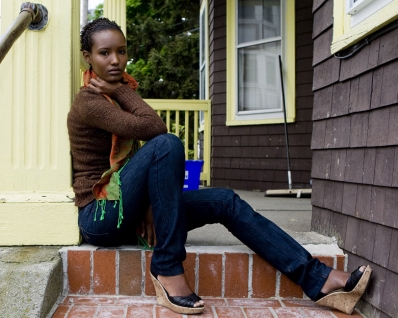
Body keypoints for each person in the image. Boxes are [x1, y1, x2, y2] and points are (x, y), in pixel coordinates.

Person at [67, 18, 372, 315]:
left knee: (224, 200)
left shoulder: (114, 97)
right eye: (104, 53)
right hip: (101, 215)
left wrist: (149, 204)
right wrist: (121, 88)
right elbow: (154, 128)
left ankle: (319, 279)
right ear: (88, 58)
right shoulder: (90, 102)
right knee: (167, 144)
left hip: (128, 209)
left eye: (121, 51)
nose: (116, 60)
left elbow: (139, 155)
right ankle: (167, 266)